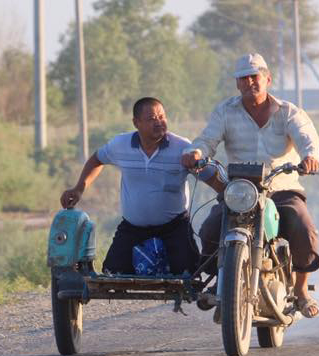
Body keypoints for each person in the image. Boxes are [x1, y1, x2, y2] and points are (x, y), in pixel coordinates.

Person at [181, 53, 319, 318]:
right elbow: (207, 139)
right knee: (211, 228)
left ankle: (302, 290)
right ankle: (220, 283)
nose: (249, 82)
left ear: (267, 79)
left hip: (281, 190)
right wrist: (196, 153)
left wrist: (310, 157)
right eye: (243, 78)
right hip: (241, 191)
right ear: (237, 84)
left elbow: (307, 138)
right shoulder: (225, 111)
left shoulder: (289, 112)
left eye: (254, 77)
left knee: (303, 227)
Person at [61, 97, 218, 276]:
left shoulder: (183, 148)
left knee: (189, 274)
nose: (159, 122)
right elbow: (97, 159)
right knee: (112, 273)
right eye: (152, 119)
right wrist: (79, 188)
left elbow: (210, 177)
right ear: (136, 123)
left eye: (162, 116)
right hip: (133, 228)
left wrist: (230, 197)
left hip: (174, 228)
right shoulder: (120, 145)